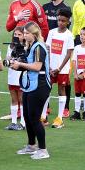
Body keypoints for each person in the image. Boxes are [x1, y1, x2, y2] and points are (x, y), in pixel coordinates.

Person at [10, 21, 51, 160]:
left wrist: (20, 64)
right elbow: (28, 65)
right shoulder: (31, 46)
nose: (24, 36)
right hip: (30, 84)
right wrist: (16, 65)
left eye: (27, 33)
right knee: (27, 117)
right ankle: (31, 145)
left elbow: (37, 66)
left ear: (34, 34)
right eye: (24, 33)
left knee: (34, 118)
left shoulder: (39, 47)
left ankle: (43, 149)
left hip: (39, 85)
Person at [46, 9, 74, 125]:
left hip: (62, 69)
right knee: (47, 90)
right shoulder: (52, 32)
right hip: (50, 68)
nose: (60, 23)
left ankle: (59, 118)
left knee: (61, 90)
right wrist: (49, 66)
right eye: (59, 20)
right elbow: (47, 49)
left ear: (68, 21)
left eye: (63, 21)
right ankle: (43, 116)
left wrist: (59, 68)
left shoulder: (69, 35)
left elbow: (69, 54)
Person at [70, 27, 85, 122]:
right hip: (78, 75)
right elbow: (74, 61)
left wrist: (84, 73)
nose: (82, 36)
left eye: (84, 34)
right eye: (81, 34)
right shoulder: (76, 48)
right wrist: (75, 73)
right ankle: (76, 112)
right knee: (77, 93)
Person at [5, 26, 27, 131]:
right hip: (12, 75)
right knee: (14, 99)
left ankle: (22, 122)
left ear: (24, 35)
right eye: (15, 34)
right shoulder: (11, 46)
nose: (17, 36)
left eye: (19, 34)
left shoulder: (26, 47)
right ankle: (13, 122)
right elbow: (7, 59)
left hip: (21, 76)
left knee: (21, 99)